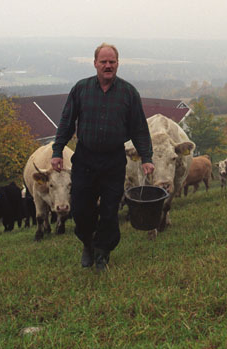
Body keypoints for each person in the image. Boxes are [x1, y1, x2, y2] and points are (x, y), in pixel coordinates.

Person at [51, 43, 154, 272]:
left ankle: (102, 254)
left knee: (109, 212)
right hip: (85, 159)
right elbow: (67, 122)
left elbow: (139, 128)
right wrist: (57, 151)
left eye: (112, 62)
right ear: (95, 63)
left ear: (118, 64)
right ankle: (87, 243)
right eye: (103, 62)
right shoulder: (81, 89)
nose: (108, 66)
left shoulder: (128, 93)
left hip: (113, 161)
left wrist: (146, 157)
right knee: (80, 209)